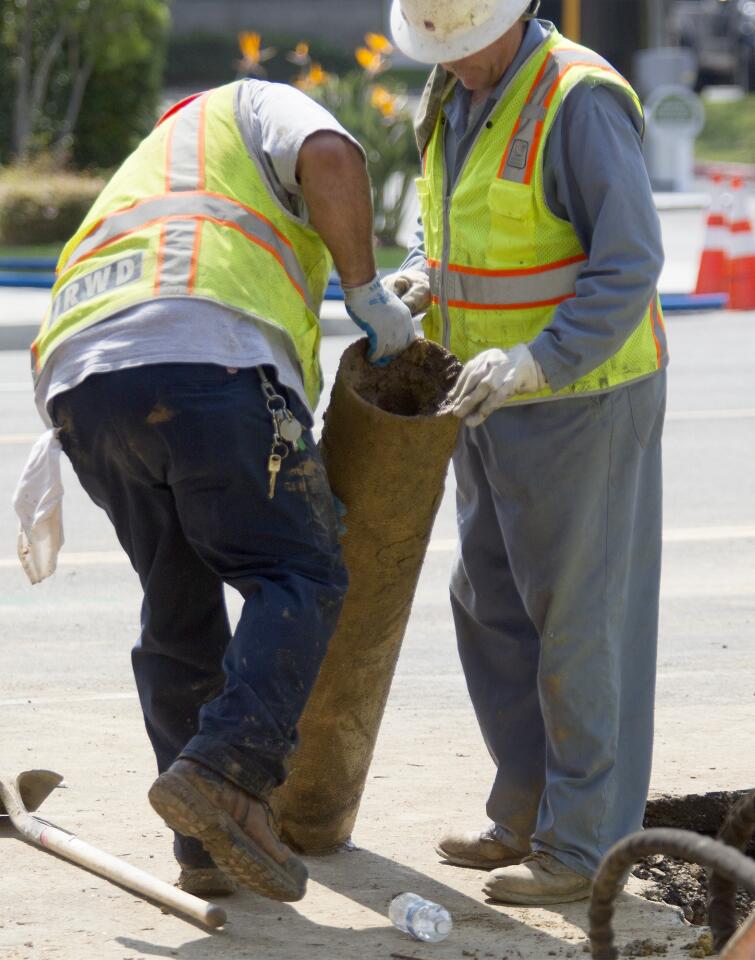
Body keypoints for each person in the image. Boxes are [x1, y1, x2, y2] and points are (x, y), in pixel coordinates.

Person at [16, 78, 415, 902]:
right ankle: (227, 774)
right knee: (299, 575)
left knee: (178, 600)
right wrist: (368, 290)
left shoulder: (151, 168)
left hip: (82, 391)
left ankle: (202, 842)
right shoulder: (251, 104)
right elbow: (331, 155)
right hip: (205, 356)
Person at [386, 0, 668, 904]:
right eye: (442, 47)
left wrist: (538, 360)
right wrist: (425, 273)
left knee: (579, 623)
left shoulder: (579, 99)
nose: (457, 61)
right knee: (491, 605)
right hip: (485, 393)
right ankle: (526, 806)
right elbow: (453, 217)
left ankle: (585, 848)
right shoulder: (448, 90)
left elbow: (627, 265)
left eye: (467, 45)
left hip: (581, 396)